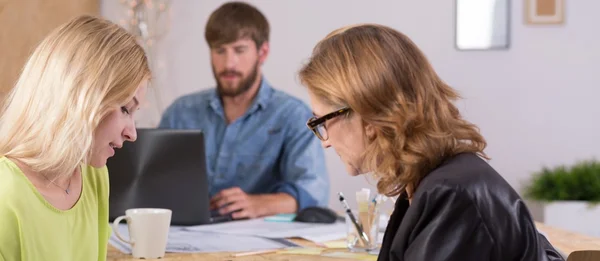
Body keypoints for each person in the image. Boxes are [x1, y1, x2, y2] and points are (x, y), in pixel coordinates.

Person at [299, 24, 565, 261]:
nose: (325, 142)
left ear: (367, 116)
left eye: (322, 121)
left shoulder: (452, 196)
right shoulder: (434, 183)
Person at [159, 1, 329, 220]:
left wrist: (259, 204)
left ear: (263, 52)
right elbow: (152, 183)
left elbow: (314, 192)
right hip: (185, 236)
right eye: (220, 51)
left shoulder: (293, 115)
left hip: (260, 245)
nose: (229, 63)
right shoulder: (180, 112)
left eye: (239, 50)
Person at [0, 15, 150, 260]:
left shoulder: (94, 176)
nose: (132, 133)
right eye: (125, 109)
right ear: (82, 96)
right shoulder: (5, 193)